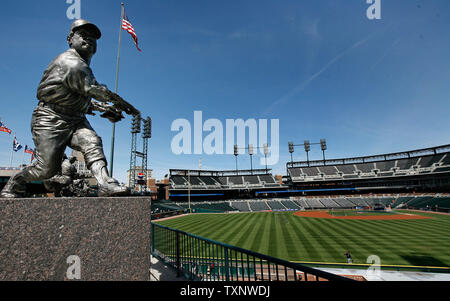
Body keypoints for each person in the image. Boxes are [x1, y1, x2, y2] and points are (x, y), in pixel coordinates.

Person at [0, 19, 137, 198]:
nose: (89, 40)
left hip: (75, 118)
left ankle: (104, 183)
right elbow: (94, 89)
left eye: (93, 38)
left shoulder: (82, 66)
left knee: (92, 140)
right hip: (50, 117)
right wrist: (123, 105)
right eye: (83, 35)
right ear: (70, 39)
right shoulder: (71, 62)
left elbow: (80, 96)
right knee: (46, 169)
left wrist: (104, 109)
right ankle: (15, 182)